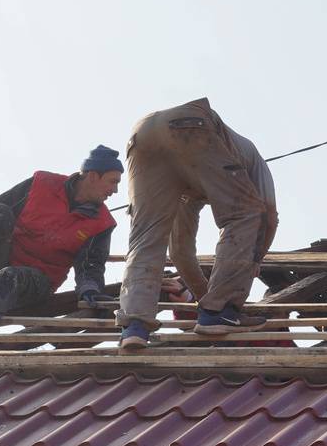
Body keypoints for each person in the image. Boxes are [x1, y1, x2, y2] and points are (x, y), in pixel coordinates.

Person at [118, 98, 277, 350]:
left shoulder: (186, 184)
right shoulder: (250, 159)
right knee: (246, 213)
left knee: (146, 235)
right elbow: (268, 216)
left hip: (142, 134)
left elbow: (180, 252)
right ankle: (221, 312)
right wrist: (255, 260)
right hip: (191, 125)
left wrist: (204, 298)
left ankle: (134, 326)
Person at [0, 146, 122, 334]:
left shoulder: (101, 223)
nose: (115, 191)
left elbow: (90, 266)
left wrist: (90, 291)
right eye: (113, 182)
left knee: (10, 276)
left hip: (36, 283)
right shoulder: (42, 184)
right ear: (94, 176)